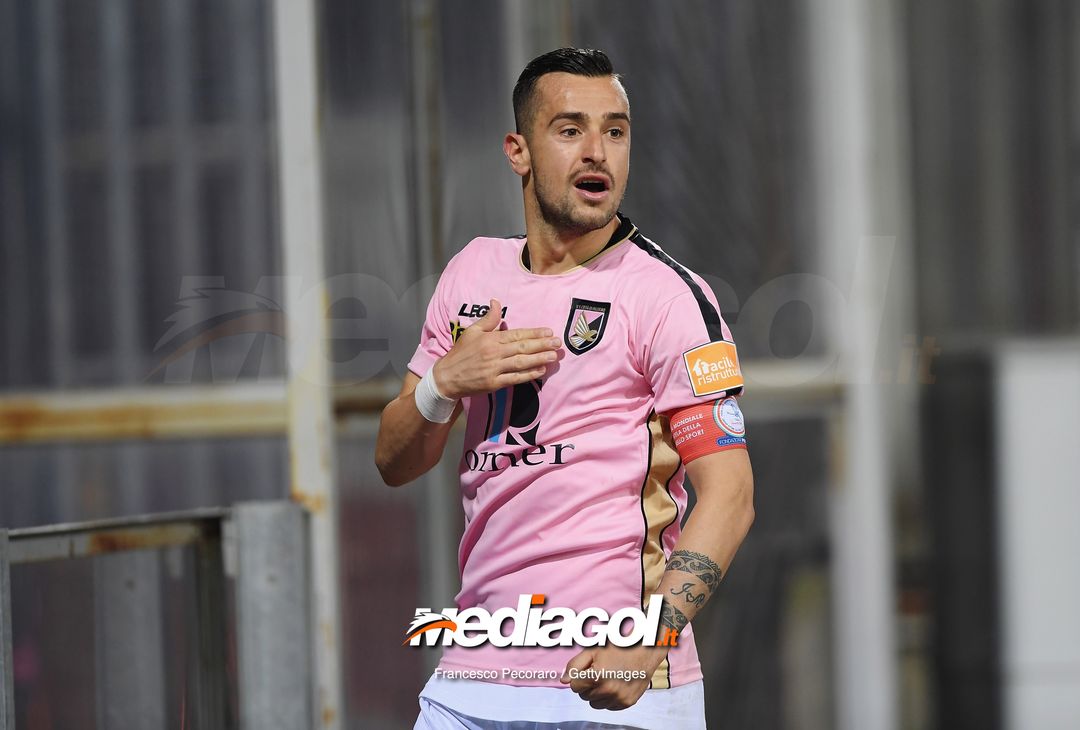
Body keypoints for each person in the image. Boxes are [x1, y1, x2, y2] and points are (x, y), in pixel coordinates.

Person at [376, 47, 754, 730]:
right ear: (518, 151)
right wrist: (442, 384)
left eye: (615, 131)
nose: (597, 153)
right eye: (570, 129)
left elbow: (731, 494)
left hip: (613, 685)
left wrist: (652, 636)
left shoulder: (668, 297)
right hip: (473, 682)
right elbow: (396, 461)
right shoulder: (471, 273)